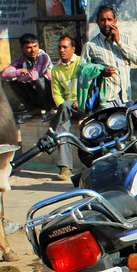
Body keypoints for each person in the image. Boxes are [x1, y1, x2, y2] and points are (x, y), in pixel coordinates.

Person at [81, 5, 137, 108]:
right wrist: (99, 72)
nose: (106, 24)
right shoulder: (91, 46)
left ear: (115, 21)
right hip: (106, 101)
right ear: (98, 22)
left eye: (109, 20)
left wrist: (119, 42)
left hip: (126, 98)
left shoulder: (125, 40)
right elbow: (81, 72)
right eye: (103, 20)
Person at [48, 35, 82, 181]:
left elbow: (89, 84)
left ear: (73, 48)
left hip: (83, 104)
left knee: (63, 111)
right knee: (62, 128)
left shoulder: (82, 63)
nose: (61, 50)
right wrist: (63, 106)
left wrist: (81, 100)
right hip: (67, 108)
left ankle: (49, 135)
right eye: (59, 47)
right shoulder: (55, 70)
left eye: (65, 47)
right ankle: (65, 167)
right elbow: (57, 94)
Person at [1, 33, 54, 124]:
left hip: (51, 96)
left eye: (35, 46)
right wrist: (20, 71)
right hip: (37, 95)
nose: (33, 50)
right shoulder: (21, 59)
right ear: (22, 49)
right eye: (29, 47)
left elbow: (34, 76)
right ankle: (33, 109)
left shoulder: (43, 57)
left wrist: (19, 77)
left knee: (38, 80)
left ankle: (50, 110)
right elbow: (4, 75)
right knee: (12, 82)